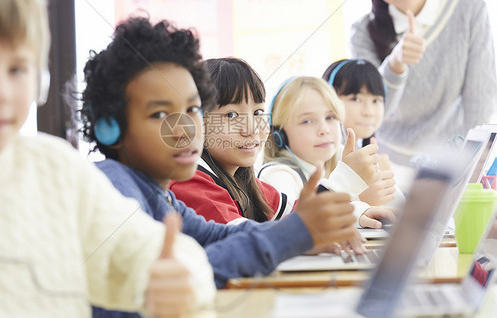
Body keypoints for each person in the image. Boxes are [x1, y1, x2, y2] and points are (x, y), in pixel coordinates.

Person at [0, 0, 216, 317]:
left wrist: (179, 279)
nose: (0, 94)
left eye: (17, 69)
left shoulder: (55, 167)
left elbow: (152, 252)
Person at [79, 16, 360, 317]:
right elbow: (189, 275)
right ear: (110, 127)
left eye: (193, 109)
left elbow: (218, 238)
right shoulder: (113, 187)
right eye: (161, 113)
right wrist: (290, 235)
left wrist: (302, 237)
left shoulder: (160, 195)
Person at [350, 0, 497, 172]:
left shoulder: (469, 9)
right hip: (390, 166)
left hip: (453, 160)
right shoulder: (363, 31)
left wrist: (469, 163)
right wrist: (395, 63)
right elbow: (370, 115)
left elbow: (480, 101)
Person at [258, 76, 398, 225]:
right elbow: (294, 226)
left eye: (330, 117)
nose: (324, 130)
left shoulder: (340, 160)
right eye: (307, 121)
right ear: (280, 134)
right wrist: (359, 199)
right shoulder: (277, 175)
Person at [169, 58, 289, 224]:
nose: (251, 129)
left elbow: (307, 215)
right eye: (231, 115)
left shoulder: (243, 181)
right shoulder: (188, 181)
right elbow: (247, 241)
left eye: (257, 112)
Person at [322, 59, 406, 205]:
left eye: (377, 101)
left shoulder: (373, 158)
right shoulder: (321, 153)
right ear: (330, 100)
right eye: (356, 99)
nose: (369, 112)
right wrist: (362, 197)